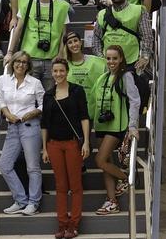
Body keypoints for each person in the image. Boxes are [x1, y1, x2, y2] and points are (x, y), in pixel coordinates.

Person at [41, 58, 90, 239]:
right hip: (53, 144)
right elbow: (44, 123)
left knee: (75, 185)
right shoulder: (48, 95)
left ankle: (74, 225)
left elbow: (84, 117)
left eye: (62, 71)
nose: (59, 74)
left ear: (67, 71)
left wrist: (86, 142)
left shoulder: (77, 91)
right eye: (55, 71)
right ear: (52, 73)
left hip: (72, 143)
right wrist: (44, 148)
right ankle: (62, 224)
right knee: (61, 186)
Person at [93, 45, 140, 215]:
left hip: (116, 127)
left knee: (100, 160)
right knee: (106, 164)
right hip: (101, 126)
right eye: (108, 58)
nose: (111, 62)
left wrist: (133, 125)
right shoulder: (103, 77)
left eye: (114, 58)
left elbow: (135, 101)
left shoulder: (125, 76)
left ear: (121, 59)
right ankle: (112, 202)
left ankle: (125, 179)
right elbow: (94, 102)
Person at [0, 51, 45, 216]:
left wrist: (33, 113)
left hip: (30, 125)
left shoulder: (35, 82)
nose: (21, 64)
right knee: (4, 165)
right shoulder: (3, 80)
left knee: (32, 167)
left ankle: (33, 203)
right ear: (13, 63)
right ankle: (21, 200)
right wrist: (7, 114)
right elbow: (2, 102)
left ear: (28, 65)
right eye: (18, 61)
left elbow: (45, 105)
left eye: (24, 62)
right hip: (12, 126)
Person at [7, 0, 70, 91]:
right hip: (30, 59)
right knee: (29, 95)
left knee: (49, 95)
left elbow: (64, 34)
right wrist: (10, 52)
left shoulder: (62, 7)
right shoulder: (27, 3)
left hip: (51, 59)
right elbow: (18, 29)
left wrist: (60, 54)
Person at [92, 0, 153, 72]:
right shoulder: (102, 14)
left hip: (132, 63)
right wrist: (102, 59)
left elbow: (147, 36)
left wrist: (144, 57)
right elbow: (96, 38)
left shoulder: (138, 10)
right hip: (108, 65)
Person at [65, 31, 106, 120]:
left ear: (80, 42)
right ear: (66, 46)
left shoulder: (96, 61)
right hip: (72, 111)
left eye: (75, 41)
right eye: (70, 42)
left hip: (94, 110)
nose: (73, 44)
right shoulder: (64, 65)